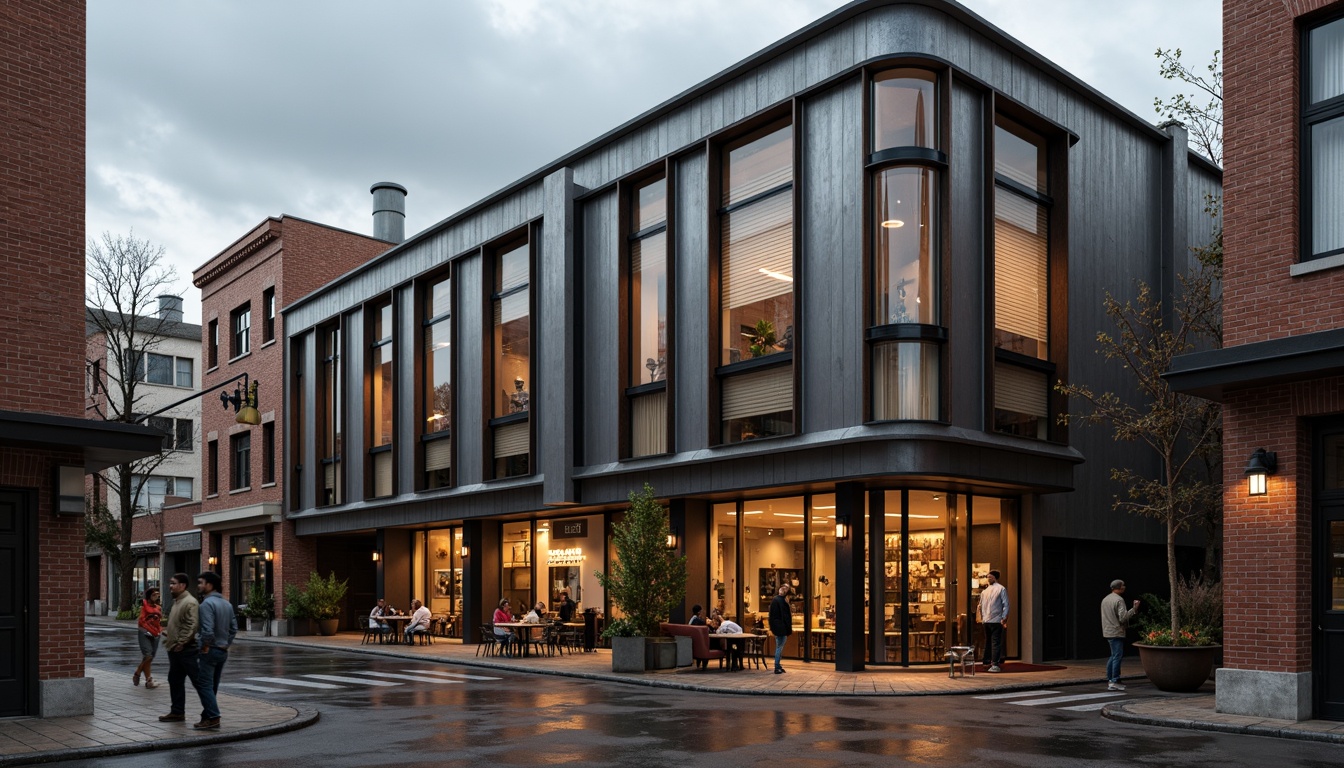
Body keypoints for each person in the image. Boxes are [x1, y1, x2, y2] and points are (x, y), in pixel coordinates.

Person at [193, 571, 237, 730]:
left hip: (210, 650)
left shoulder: (206, 604)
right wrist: (226, 643)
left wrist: (205, 646)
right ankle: (207, 717)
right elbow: (233, 628)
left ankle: (213, 716)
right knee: (212, 686)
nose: (199, 586)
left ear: (209, 585)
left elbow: (207, 630)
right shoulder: (227, 604)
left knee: (204, 684)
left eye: (201, 582)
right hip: (222, 650)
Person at [158, 574, 200, 724]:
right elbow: (180, 624)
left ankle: (211, 712)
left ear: (182, 586)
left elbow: (192, 625)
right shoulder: (178, 602)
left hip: (185, 650)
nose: (170, 586)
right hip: (174, 649)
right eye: (170, 583)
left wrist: (181, 642)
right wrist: (169, 634)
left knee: (198, 681)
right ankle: (177, 712)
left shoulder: (190, 602)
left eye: (173, 583)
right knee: (174, 680)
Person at [1101, 579, 1141, 691]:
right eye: (1123, 585)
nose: (1125, 587)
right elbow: (1123, 617)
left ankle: (1110, 678)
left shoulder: (1105, 599)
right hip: (1117, 631)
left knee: (1113, 655)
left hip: (1107, 630)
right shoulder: (1119, 600)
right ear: (1119, 587)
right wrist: (1134, 609)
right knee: (1117, 656)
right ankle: (1114, 680)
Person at [977, 570, 1009, 672]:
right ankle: (994, 664)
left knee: (988, 642)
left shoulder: (985, 591)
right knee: (995, 642)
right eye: (988, 577)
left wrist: (982, 618)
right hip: (996, 620)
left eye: (990, 577)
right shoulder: (1001, 589)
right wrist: (1004, 617)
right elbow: (1006, 604)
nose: (988, 579)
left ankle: (986, 662)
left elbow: (980, 606)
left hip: (987, 620)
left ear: (995, 578)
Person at [134, 586, 163, 688]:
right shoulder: (144, 607)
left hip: (155, 634)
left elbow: (158, 622)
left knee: (150, 657)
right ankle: (139, 673)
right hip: (145, 633)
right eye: (154, 594)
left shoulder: (158, 608)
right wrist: (148, 629)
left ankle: (148, 680)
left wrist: (160, 631)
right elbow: (141, 621)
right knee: (148, 655)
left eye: (158, 595)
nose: (156, 596)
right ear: (149, 596)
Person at [768, 583, 793, 675]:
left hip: (782, 628)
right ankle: (777, 666)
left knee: (780, 647)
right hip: (781, 628)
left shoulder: (780, 600)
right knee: (779, 647)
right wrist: (779, 628)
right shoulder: (778, 600)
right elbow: (775, 616)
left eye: (786, 588)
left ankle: (778, 665)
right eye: (784, 587)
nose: (784, 589)